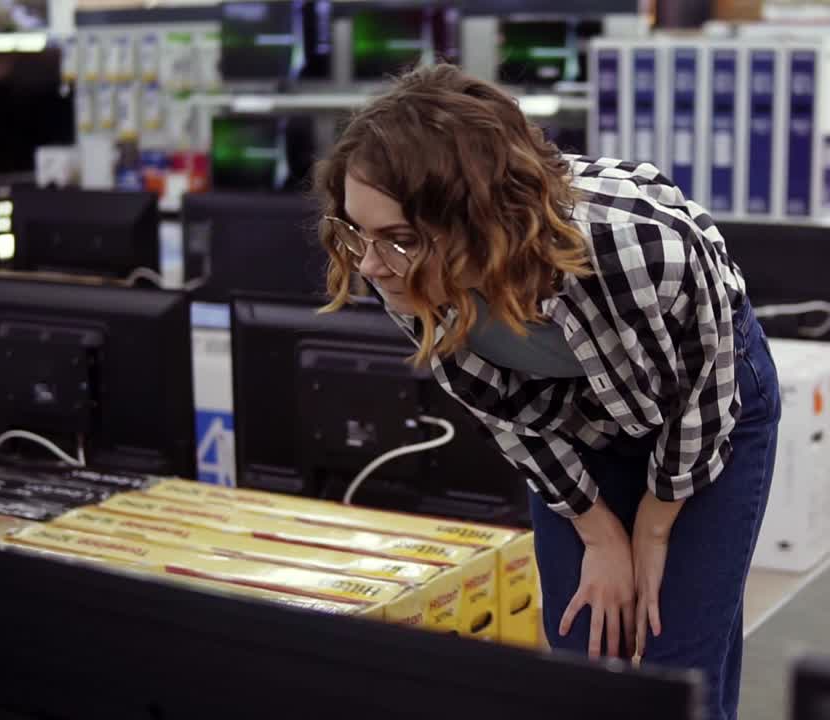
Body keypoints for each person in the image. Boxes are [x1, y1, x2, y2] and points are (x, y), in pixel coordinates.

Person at [314, 64, 780, 720]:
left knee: (677, 665)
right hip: (569, 423)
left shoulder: (635, 243)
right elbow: (507, 415)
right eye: (359, 232)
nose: (368, 264)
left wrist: (651, 530)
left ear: (477, 220)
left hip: (703, 409)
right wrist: (598, 534)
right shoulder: (391, 266)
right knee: (581, 654)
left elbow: (705, 388)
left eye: (399, 240)